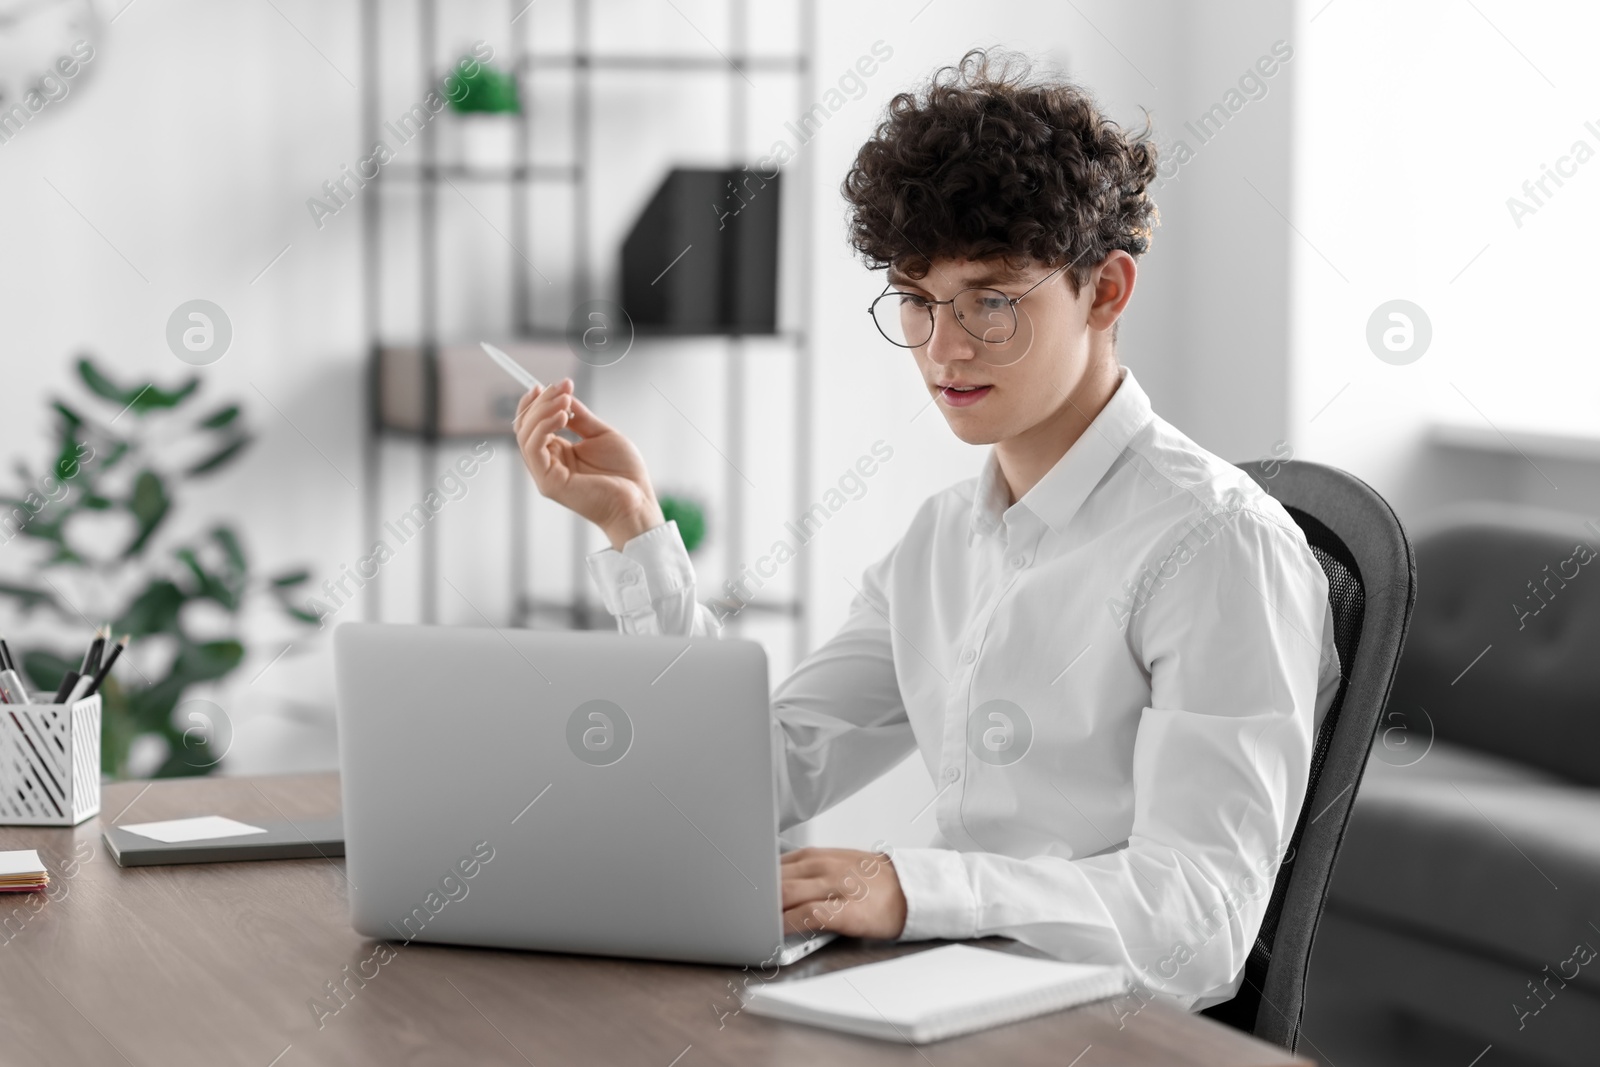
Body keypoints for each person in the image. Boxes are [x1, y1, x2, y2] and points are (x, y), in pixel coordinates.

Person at [511, 49, 1340, 1013]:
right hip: (944, 999)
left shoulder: (1220, 544)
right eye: (917, 300)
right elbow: (751, 778)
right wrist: (636, 530)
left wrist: (917, 887)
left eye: (992, 300)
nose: (944, 349)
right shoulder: (941, 542)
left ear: (1106, 290)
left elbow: (1199, 921)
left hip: (1102, 1031)